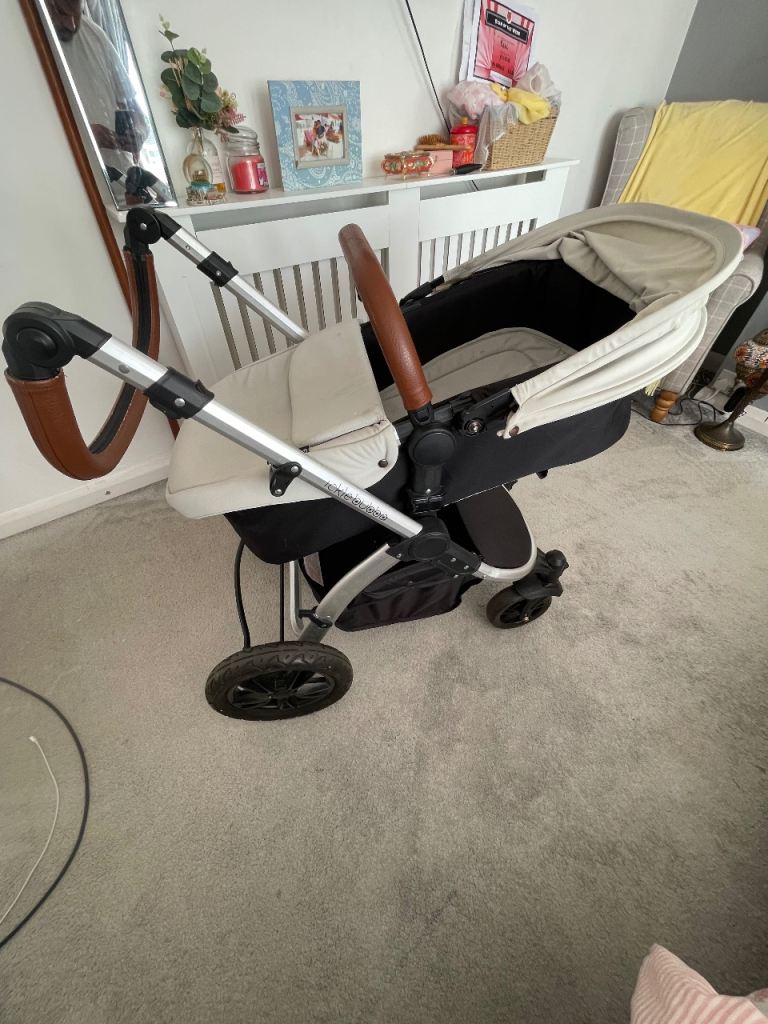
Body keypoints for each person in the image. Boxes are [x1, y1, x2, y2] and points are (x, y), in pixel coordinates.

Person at [45, 0, 149, 201]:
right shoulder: (22, 45)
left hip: (124, 191)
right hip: (72, 194)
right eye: (62, 13)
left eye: (76, 13)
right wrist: (86, 136)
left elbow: (135, 110)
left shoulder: (95, 35)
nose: (72, 24)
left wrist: (139, 132)